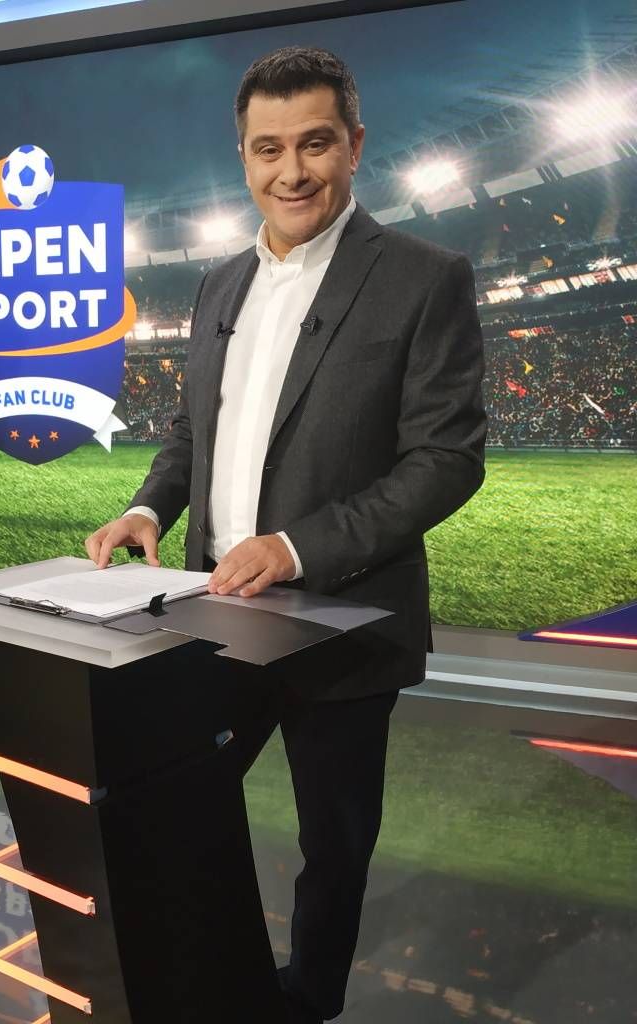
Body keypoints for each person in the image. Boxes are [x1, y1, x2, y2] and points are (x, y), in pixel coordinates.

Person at [85, 46, 487, 1023]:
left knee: (333, 847)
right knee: (171, 804)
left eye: (315, 143)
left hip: (343, 622)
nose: (292, 171)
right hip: (212, 617)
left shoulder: (425, 278)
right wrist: (148, 507)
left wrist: (296, 547)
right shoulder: (218, 284)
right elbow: (193, 429)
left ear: (355, 145)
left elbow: (446, 459)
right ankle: (199, 982)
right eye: (269, 149)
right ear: (243, 158)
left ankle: (305, 1005)